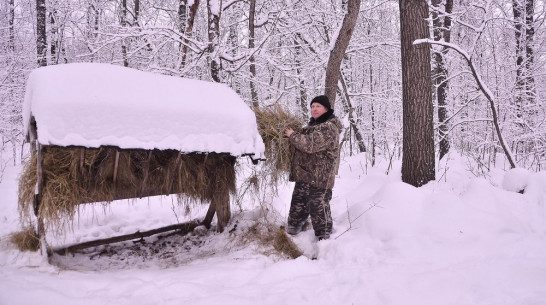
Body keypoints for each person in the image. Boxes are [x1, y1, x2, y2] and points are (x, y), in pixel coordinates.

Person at [284, 95, 342, 240]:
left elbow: (309, 144)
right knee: (296, 211)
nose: (314, 109)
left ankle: (325, 243)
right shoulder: (312, 127)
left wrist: (292, 135)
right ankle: (293, 237)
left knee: (319, 212)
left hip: (319, 180)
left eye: (318, 106)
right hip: (304, 177)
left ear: (326, 109)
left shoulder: (329, 127)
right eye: (312, 106)